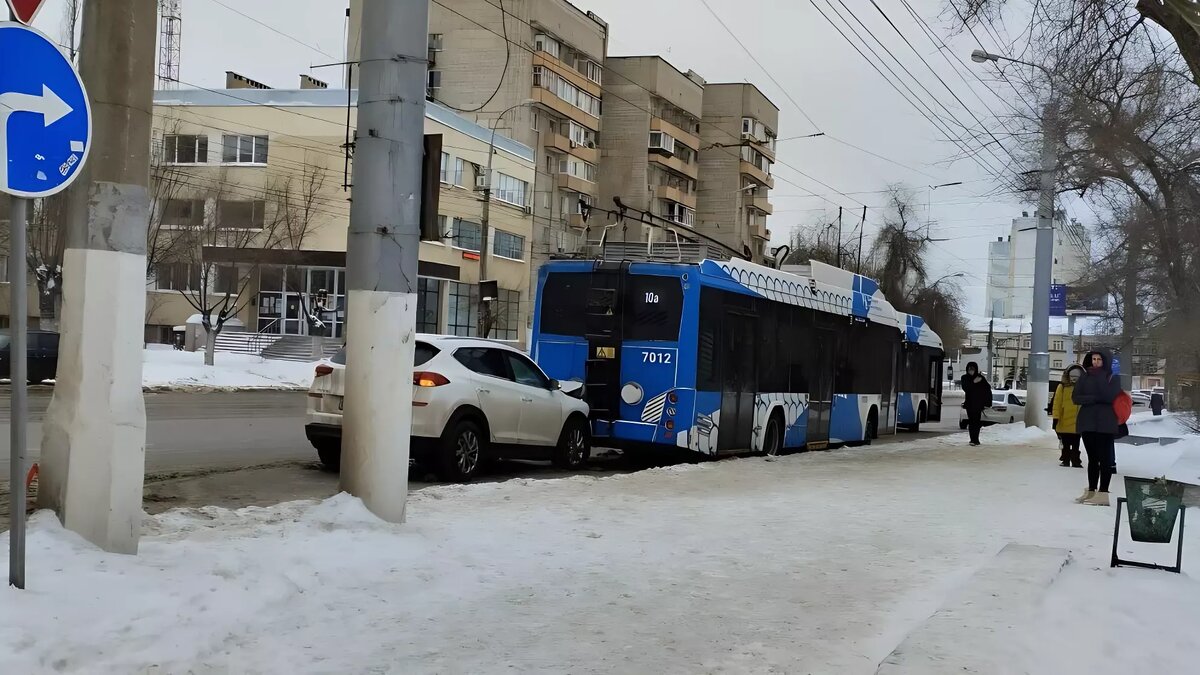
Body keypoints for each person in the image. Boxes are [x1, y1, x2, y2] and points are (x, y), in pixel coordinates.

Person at [1072, 351, 1123, 506]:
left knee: (1105, 459)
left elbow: (1110, 397)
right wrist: (1094, 398)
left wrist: (1093, 394)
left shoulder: (1112, 377)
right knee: (1092, 459)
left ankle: (1103, 492)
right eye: (1093, 359)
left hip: (1105, 423)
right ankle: (1092, 490)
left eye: (1099, 359)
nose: (1095, 362)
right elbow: (1075, 397)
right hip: (1087, 421)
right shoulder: (1084, 376)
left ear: (1104, 361)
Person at [1052, 365, 1084, 468]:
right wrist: (1056, 417)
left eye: (1077, 376)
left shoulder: (1084, 387)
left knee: (1076, 444)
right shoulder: (1062, 387)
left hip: (1078, 422)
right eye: (1072, 376)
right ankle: (1066, 459)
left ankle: (1075, 460)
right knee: (1065, 443)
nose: (1074, 379)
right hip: (1064, 420)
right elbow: (1057, 403)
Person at [960, 362, 992, 447]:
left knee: (976, 422)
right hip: (970, 404)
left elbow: (987, 390)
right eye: (969, 369)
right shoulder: (964, 378)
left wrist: (988, 403)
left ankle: (976, 439)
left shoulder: (981, 378)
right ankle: (972, 439)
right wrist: (974, 382)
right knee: (971, 422)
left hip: (978, 404)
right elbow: (966, 388)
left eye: (973, 369)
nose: (971, 371)